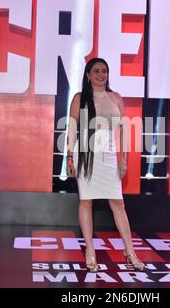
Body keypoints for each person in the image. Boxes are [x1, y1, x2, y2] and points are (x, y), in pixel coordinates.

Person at [66, 57, 145, 273]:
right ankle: (90, 252)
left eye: (104, 71)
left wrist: (124, 158)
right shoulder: (80, 98)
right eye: (97, 71)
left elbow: (124, 131)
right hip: (85, 154)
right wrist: (69, 158)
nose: (101, 75)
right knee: (86, 203)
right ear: (88, 75)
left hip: (109, 155)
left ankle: (130, 252)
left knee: (118, 204)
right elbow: (71, 129)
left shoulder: (115, 97)